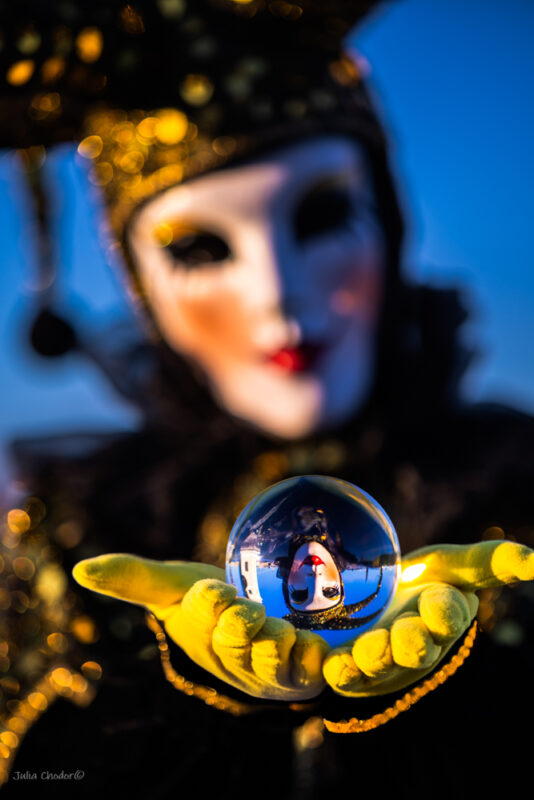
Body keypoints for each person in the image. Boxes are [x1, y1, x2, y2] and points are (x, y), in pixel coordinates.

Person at [1, 1, 533, 797]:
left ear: (387, 227)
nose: (278, 299)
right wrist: (189, 717)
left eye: (320, 217)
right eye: (199, 248)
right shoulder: (70, 547)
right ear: (142, 291)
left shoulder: (521, 494)